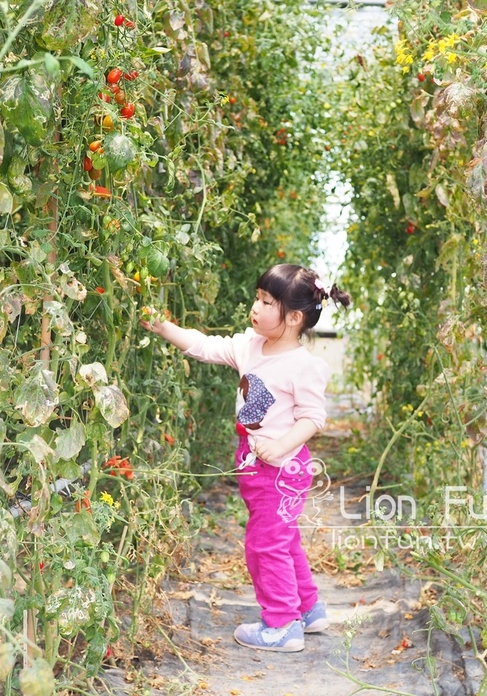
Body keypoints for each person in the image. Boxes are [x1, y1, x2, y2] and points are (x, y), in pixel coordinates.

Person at [141, 263, 351, 652]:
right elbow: (203, 346)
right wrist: (163, 326)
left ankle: (282, 624)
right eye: (256, 298)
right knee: (282, 539)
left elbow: (312, 419)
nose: (255, 307)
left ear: (293, 318)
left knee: (263, 544)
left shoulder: (303, 366)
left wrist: (282, 445)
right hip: (256, 464)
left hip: (281, 469)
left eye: (266, 302)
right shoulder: (250, 347)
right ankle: (308, 609)